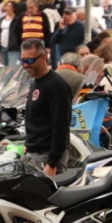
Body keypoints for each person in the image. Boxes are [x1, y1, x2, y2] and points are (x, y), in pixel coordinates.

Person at [20, 39, 71, 176]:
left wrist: (52, 162)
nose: (26, 65)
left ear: (44, 57)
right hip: (32, 154)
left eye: (30, 60)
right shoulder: (36, 82)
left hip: (46, 157)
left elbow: (61, 125)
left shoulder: (56, 85)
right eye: (23, 60)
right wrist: (28, 145)